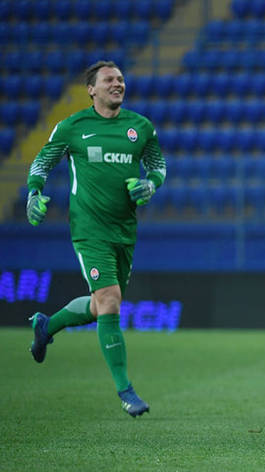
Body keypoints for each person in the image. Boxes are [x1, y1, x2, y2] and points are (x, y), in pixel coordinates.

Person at [26, 60, 166, 417]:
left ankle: (47, 325)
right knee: (109, 300)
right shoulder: (72, 127)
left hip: (125, 229)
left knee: (100, 304)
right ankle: (126, 391)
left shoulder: (140, 127)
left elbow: (157, 166)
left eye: (120, 79)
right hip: (89, 229)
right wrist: (33, 192)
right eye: (109, 80)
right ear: (91, 89)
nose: (117, 84)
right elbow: (42, 162)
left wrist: (150, 184)